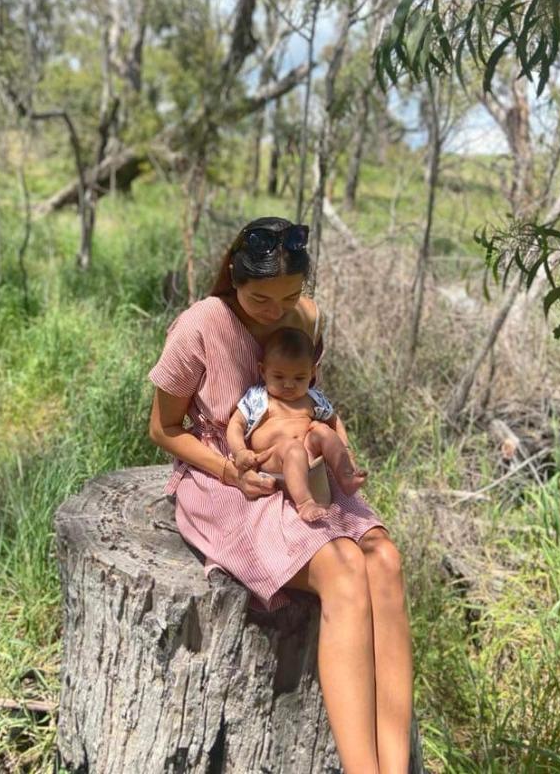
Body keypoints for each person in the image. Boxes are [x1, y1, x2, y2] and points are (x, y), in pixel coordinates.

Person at [148, 216, 413, 774]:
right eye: (260, 296)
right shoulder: (198, 327)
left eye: (289, 295)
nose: (274, 310)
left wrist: (332, 454)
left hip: (305, 470)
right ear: (233, 275)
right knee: (342, 569)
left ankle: (395, 765)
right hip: (230, 480)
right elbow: (163, 430)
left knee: (384, 560)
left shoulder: (305, 319)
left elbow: (310, 404)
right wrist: (230, 469)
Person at [226, 325, 368, 521]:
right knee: (292, 448)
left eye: (299, 378)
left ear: (311, 373)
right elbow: (236, 425)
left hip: (309, 457)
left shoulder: (312, 398)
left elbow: (334, 420)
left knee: (323, 430)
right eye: (279, 376)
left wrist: (345, 449)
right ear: (263, 370)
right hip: (274, 459)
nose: (289, 384)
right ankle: (305, 503)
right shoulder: (259, 398)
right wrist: (240, 452)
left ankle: (345, 475)